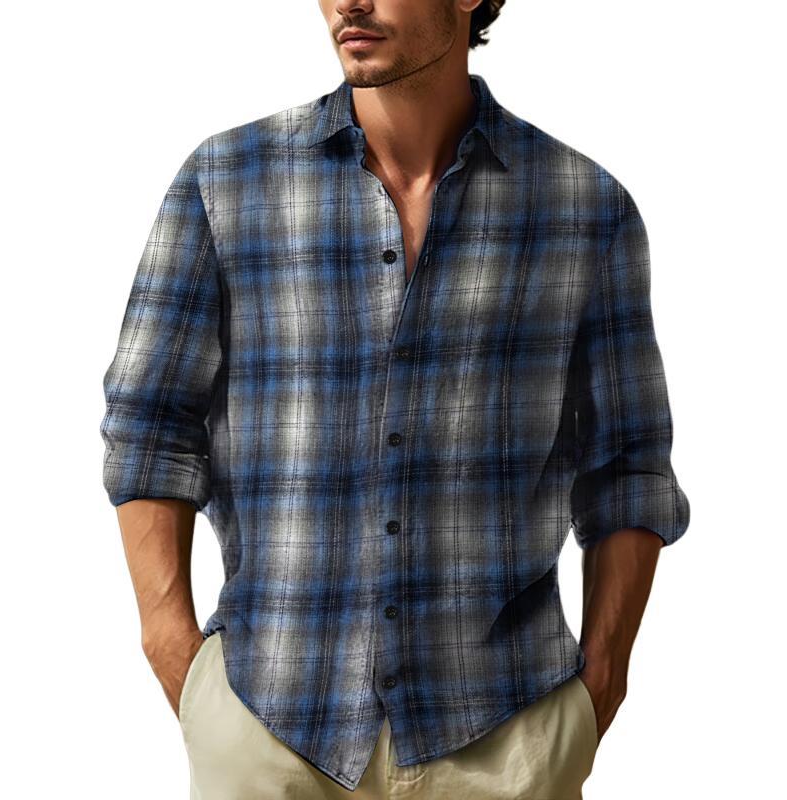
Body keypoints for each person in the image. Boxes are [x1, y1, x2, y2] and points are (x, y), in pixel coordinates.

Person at [99, 1, 690, 797]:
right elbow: (149, 425)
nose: (349, 1)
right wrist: (174, 653)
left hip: (504, 738)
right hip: (268, 728)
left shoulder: (585, 208)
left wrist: (602, 680)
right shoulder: (226, 182)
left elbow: (630, 465)